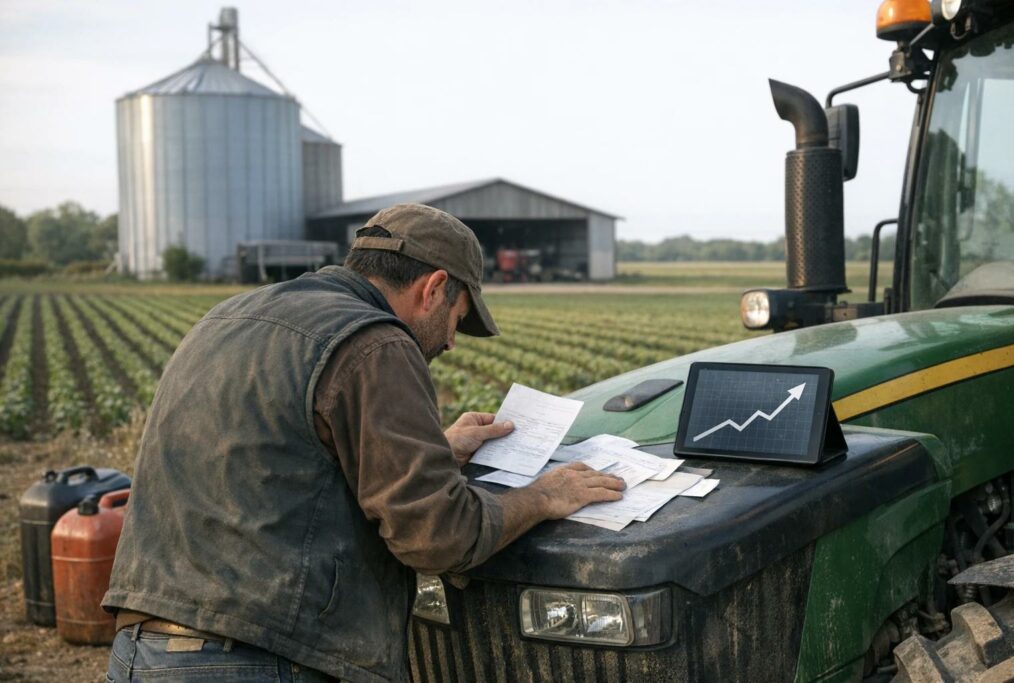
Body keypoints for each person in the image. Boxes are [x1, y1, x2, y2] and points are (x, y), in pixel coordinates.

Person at [102, 203, 625, 682]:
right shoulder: (375, 343)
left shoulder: (229, 317)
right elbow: (438, 536)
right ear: (434, 288)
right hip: (255, 660)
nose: (449, 341)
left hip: (141, 650)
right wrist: (544, 496)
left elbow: (277, 467)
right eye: (457, 319)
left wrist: (436, 450)